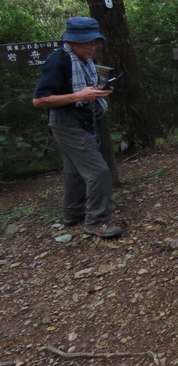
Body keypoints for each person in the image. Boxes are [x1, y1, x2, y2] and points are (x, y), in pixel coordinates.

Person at [31, 16, 122, 239]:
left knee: (74, 170)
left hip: (83, 119)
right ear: (71, 41)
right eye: (85, 43)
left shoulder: (84, 60)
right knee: (98, 171)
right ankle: (97, 221)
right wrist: (78, 96)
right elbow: (39, 100)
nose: (91, 47)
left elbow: (83, 88)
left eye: (94, 42)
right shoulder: (58, 60)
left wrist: (98, 91)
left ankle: (73, 213)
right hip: (66, 122)